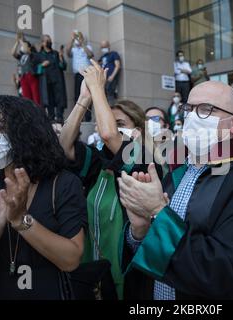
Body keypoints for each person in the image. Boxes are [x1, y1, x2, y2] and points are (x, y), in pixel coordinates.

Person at [118, 80, 233, 300]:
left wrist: (158, 212)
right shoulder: (175, 174)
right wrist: (140, 230)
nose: (191, 117)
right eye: (188, 108)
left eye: (205, 110)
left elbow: (218, 271)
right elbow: (150, 256)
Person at [0, 96, 87, 299]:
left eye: (0, 128)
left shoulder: (63, 184)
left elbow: (71, 259)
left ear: (26, 133)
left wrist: (21, 221)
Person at [59, 59, 162, 299]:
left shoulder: (145, 159)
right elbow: (63, 145)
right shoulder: (96, 160)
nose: (112, 128)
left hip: (128, 270)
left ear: (137, 129)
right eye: (109, 120)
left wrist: (98, 89)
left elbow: (108, 135)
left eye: (121, 124)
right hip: (90, 268)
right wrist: (84, 99)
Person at [37, 35, 67, 124]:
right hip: (46, 81)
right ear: (42, 43)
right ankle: (51, 119)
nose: (49, 42)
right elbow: (35, 70)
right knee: (49, 100)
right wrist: (42, 65)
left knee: (59, 99)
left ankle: (60, 118)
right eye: (47, 40)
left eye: (50, 40)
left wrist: (61, 57)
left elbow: (63, 66)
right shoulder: (39, 55)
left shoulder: (56, 53)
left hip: (57, 80)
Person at [66, 31, 94, 121]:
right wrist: (72, 39)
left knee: (88, 95)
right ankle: (79, 118)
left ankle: (88, 117)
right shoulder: (73, 50)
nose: (77, 39)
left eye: (79, 37)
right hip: (77, 75)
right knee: (77, 96)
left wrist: (82, 43)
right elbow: (67, 52)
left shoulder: (87, 47)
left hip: (86, 74)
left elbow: (90, 55)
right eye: (76, 37)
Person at [11, 32, 41, 105]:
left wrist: (21, 40)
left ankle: (38, 113)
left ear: (29, 47)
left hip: (32, 76)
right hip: (23, 78)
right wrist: (17, 42)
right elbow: (13, 53)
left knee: (36, 98)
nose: (22, 47)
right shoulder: (21, 56)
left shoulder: (32, 54)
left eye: (24, 45)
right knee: (26, 99)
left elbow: (26, 49)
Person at [99, 41, 121, 105]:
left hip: (111, 78)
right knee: (104, 96)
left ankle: (112, 111)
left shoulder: (114, 54)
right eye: (102, 47)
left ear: (108, 46)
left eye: (104, 46)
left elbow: (117, 66)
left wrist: (112, 76)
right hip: (104, 79)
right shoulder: (102, 57)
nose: (103, 48)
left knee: (110, 95)